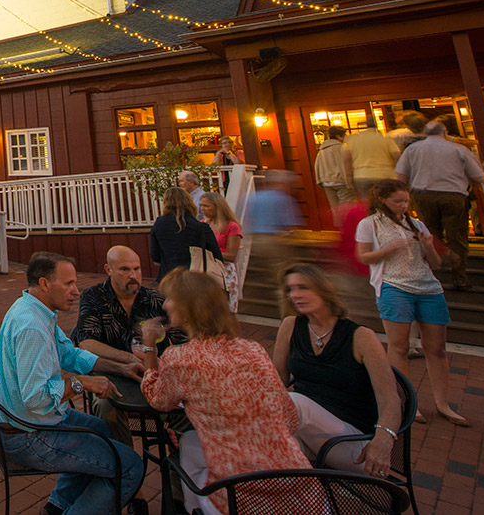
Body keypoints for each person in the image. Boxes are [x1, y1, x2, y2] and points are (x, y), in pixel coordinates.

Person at [140, 269, 313, 515]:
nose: (165, 304)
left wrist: (149, 347)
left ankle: (192, 509)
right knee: (190, 441)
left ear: (189, 308)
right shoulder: (254, 349)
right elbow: (290, 419)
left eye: (170, 298)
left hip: (239, 499)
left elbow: (158, 400)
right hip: (305, 492)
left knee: (187, 447)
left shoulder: (179, 359)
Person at [0, 252, 144, 515]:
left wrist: (121, 367)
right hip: (29, 435)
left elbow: (70, 355)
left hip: (29, 421)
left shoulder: (34, 308)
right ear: (44, 284)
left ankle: (57, 506)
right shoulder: (32, 327)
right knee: (130, 467)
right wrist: (80, 383)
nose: (76, 291)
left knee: (99, 428)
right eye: (69, 284)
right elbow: (36, 399)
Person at [355, 179, 467, 426]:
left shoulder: (416, 224)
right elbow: (363, 257)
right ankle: (407, 401)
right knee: (399, 347)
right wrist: (389, 249)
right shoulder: (369, 224)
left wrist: (428, 246)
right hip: (394, 286)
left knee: (436, 348)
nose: (404, 205)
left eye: (406, 201)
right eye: (398, 201)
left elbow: (435, 263)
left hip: (428, 287)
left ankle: (443, 404)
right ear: (382, 199)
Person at [271, 264, 400, 476]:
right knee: (275, 453)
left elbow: (390, 400)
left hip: (354, 445)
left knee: (295, 402)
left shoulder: (361, 337)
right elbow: (276, 383)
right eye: (290, 289)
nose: (294, 295)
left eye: (303, 287)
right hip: (306, 434)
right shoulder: (290, 326)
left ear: (323, 290)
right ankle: (322, 497)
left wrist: (383, 441)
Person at [72, 246, 175, 441]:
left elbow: (181, 340)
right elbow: (86, 343)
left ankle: (175, 451)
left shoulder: (155, 300)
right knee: (104, 406)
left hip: (155, 376)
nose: (133, 275)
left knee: (189, 402)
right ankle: (124, 457)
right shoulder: (95, 296)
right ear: (108, 270)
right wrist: (129, 359)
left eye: (137, 269)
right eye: (125, 269)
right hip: (112, 375)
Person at [395, 120, 484, 291]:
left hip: (422, 195)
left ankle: (433, 275)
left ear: (425, 133)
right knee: (457, 236)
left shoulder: (412, 150)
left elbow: (401, 176)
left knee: (429, 235)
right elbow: (478, 176)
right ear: (444, 133)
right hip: (453, 195)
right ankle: (460, 277)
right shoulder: (458, 149)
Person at [149, 188, 222, 280]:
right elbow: (216, 256)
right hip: (196, 277)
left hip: (168, 277)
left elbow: (155, 256)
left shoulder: (159, 224)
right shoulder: (200, 227)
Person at [198, 192, 242, 311]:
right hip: (205, 270)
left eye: (206, 206)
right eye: (201, 205)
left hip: (224, 270)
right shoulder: (202, 225)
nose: (202, 209)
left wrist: (209, 253)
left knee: (226, 310)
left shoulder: (231, 226)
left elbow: (232, 255)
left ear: (217, 206)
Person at [345, 121, 400, 202]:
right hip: (386, 175)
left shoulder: (352, 139)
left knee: (367, 202)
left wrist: (349, 177)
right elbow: (396, 155)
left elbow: (346, 159)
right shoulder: (385, 138)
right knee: (387, 200)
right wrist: (396, 170)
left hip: (362, 175)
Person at [315, 125, 357, 211]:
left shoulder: (322, 150)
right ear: (338, 136)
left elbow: (317, 166)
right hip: (341, 181)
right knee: (347, 209)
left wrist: (320, 180)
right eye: (344, 135)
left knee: (335, 209)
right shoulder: (341, 148)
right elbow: (344, 165)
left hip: (326, 182)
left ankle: (338, 220)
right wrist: (350, 182)